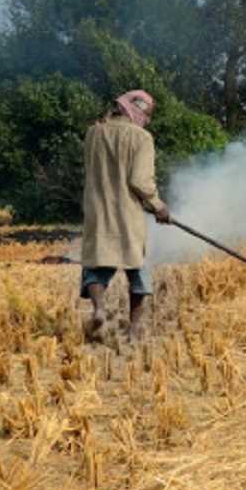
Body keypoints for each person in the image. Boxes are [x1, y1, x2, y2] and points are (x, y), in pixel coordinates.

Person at [80, 89, 171, 340]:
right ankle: (135, 327)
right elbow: (140, 181)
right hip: (128, 211)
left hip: (97, 210)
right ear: (139, 112)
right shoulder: (142, 138)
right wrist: (158, 206)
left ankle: (99, 309)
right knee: (137, 267)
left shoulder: (93, 133)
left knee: (96, 263)